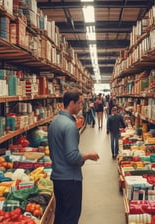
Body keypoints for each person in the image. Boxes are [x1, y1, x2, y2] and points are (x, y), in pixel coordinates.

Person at [48, 89, 100, 224]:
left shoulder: (55, 122)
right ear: (72, 103)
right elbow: (72, 156)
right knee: (71, 217)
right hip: (70, 179)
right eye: (80, 103)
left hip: (57, 177)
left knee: (60, 215)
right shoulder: (70, 126)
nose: (81, 107)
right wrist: (88, 156)